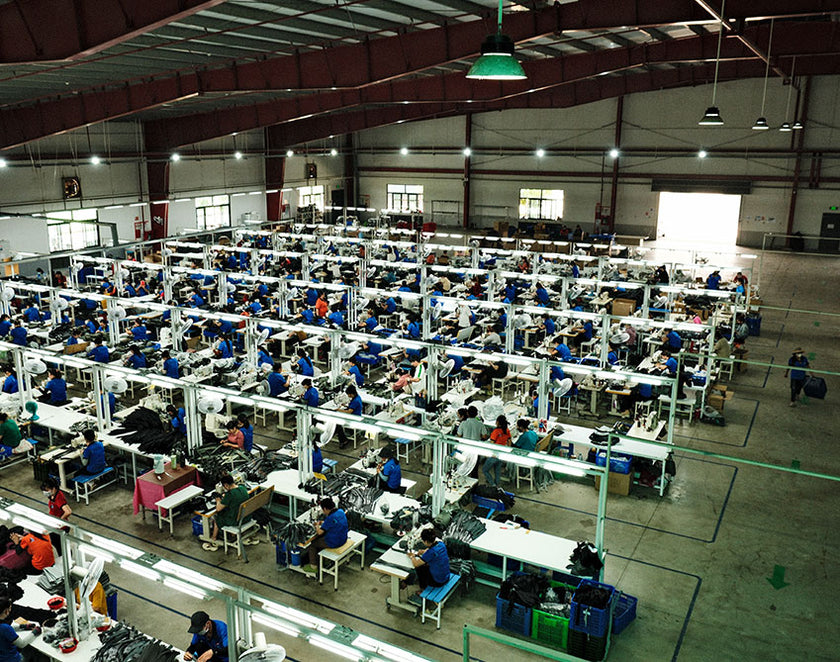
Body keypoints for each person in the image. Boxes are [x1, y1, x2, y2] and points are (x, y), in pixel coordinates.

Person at [302, 497, 348, 575]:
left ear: (325, 509)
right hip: (343, 538)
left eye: (323, 510)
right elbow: (334, 522)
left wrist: (316, 525)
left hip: (335, 542)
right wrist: (322, 522)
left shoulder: (330, 518)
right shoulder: (340, 511)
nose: (323, 512)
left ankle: (313, 566)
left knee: (312, 544)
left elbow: (319, 532)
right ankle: (323, 560)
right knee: (321, 538)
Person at [203, 475, 249, 552]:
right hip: (246, 517)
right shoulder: (242, 488)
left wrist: (218, 500)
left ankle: (213, 539)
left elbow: (218, 509)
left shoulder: (230, 495)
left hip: (236, 521)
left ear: (226, 485)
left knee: (217, 518)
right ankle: (232, 535)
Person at [406, 528, 450, 595]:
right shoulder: (441, 544)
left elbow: (416, 564)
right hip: (446, 576)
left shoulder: (430, 553)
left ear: (426, 541)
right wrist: (423, 551)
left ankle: (422, 589)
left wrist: (412, 556)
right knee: (427, 564)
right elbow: (433, 550)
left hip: (438, 582)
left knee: (419, 568)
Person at [0, 597, 38, 662]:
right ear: (6, 611)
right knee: (33, 650)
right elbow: (22, 644)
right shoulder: (5, 628)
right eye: (9, 609)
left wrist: (22, 626)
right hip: (11, 659)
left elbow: (5, 631)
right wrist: (35, 632)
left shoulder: (4, 627)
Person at [483, 415, 511, 487]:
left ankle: (492, 484)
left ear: (498, 422)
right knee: (497, 471)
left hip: (494, 454)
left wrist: (488, 453)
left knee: (485, 470)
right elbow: (509, 442)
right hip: (501, 454)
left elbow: (492, 444)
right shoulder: (507, 430)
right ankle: (497, 484)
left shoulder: (496, 431)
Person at [335, 385, 362, 449]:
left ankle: (343, 440)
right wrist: (344, 406)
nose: (348, 396)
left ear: (352, 394)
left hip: (354, 418)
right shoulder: (357, 397)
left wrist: (338, 410)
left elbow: (349, 411)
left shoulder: (355, 401)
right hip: (356, 415)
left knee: (337, 424)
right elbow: (351, 408)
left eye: (349, 394)